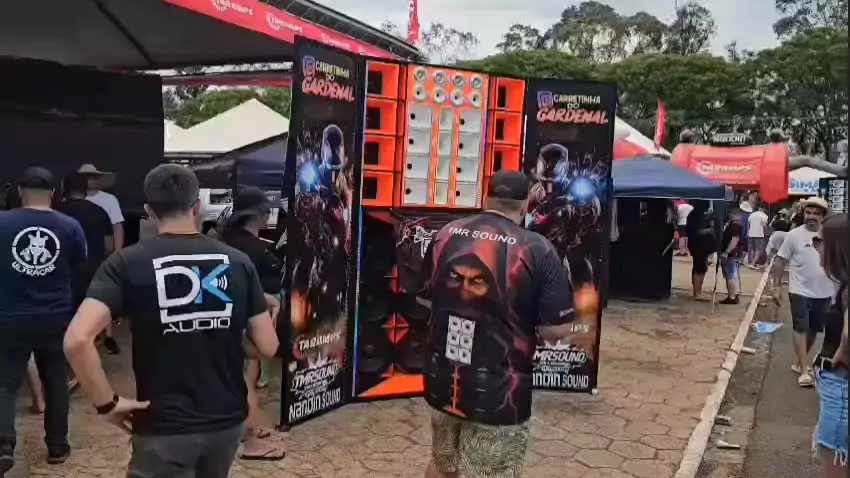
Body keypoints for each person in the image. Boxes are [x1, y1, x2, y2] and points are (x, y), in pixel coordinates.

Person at [63, 164, 279, 478]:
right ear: (198, 206)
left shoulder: (125, 263)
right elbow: (268, 346)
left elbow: (77, 340)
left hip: (163, 426)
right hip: (226, 422)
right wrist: (221, 328)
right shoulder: (238, 262)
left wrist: (107, 404)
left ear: (149, 211)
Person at [417, 171, 596, 478]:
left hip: (441, 378)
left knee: (443, 463)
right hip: (501, 391)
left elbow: (422, 300)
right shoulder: (537, 249)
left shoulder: (446, 233)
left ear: (486, 198)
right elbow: (557, 330)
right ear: (526, 205)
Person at [0, 167, 87, 474]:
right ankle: (57, 445)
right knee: (56, 381)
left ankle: (3, 446)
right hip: (55, 315)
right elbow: (78, 263)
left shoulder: (2, 223)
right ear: (52, 193)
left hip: (9, 315)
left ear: (19, 191)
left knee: (5, 383)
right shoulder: (70, 225)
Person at [217, 187, 285, 461]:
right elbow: (251, 286)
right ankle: (251, 442)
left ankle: (249, 428)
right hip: (249, 318)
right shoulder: (252, 249)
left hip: (229, 317)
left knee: (240, 378)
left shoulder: (227, 241)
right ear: (259, 215)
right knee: (246, 380)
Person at [772, 196, 835, 387]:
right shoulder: (794, 236)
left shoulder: (831, 236)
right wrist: (776, 287)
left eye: (816, 213)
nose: (811, 216)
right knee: (801, 327)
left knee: (814, 329)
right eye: (808, 212)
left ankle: (799, 361)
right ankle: (803, 370)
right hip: (799, 290)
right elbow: (780, 260)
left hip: (824, 292)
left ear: (823, 216)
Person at [814, 213, 848, 478]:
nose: (817, 247)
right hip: (838, 388)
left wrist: (840, 356)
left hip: (841, 388)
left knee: (835, 460)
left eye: (820, 242)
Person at [77, 164, 124, 354]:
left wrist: (117, 252)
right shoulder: (74, 201)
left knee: (104, 294)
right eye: (86, 177)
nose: (91, 180)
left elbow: (117, 227)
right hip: (79, 256)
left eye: (94, 177)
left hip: (101, 253)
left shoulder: (109, 200)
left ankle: (108, 335)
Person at [56, 175, 114, 321]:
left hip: (62, 274)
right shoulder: (99, 211)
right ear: (85, 190)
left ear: (64, 189)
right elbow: (109, 245)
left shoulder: (56, 211)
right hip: (92, 273)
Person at [685, 201, 716, 301]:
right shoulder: (696, 216)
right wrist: (710, 230)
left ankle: (697, 291)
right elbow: (697, 231)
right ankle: (698, 293)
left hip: (697, 245)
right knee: (700, 269)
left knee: (698, 268)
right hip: (699, 246)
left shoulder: (695, 215)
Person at [719, 209, 744, 305]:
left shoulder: (735, 225)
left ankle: (732, 297)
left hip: (731, 253)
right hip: (733, 252)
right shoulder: (734, 224)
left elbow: (734, 240)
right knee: (730, 274)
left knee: (729, 274)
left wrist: (726, 252)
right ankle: (731, 295)